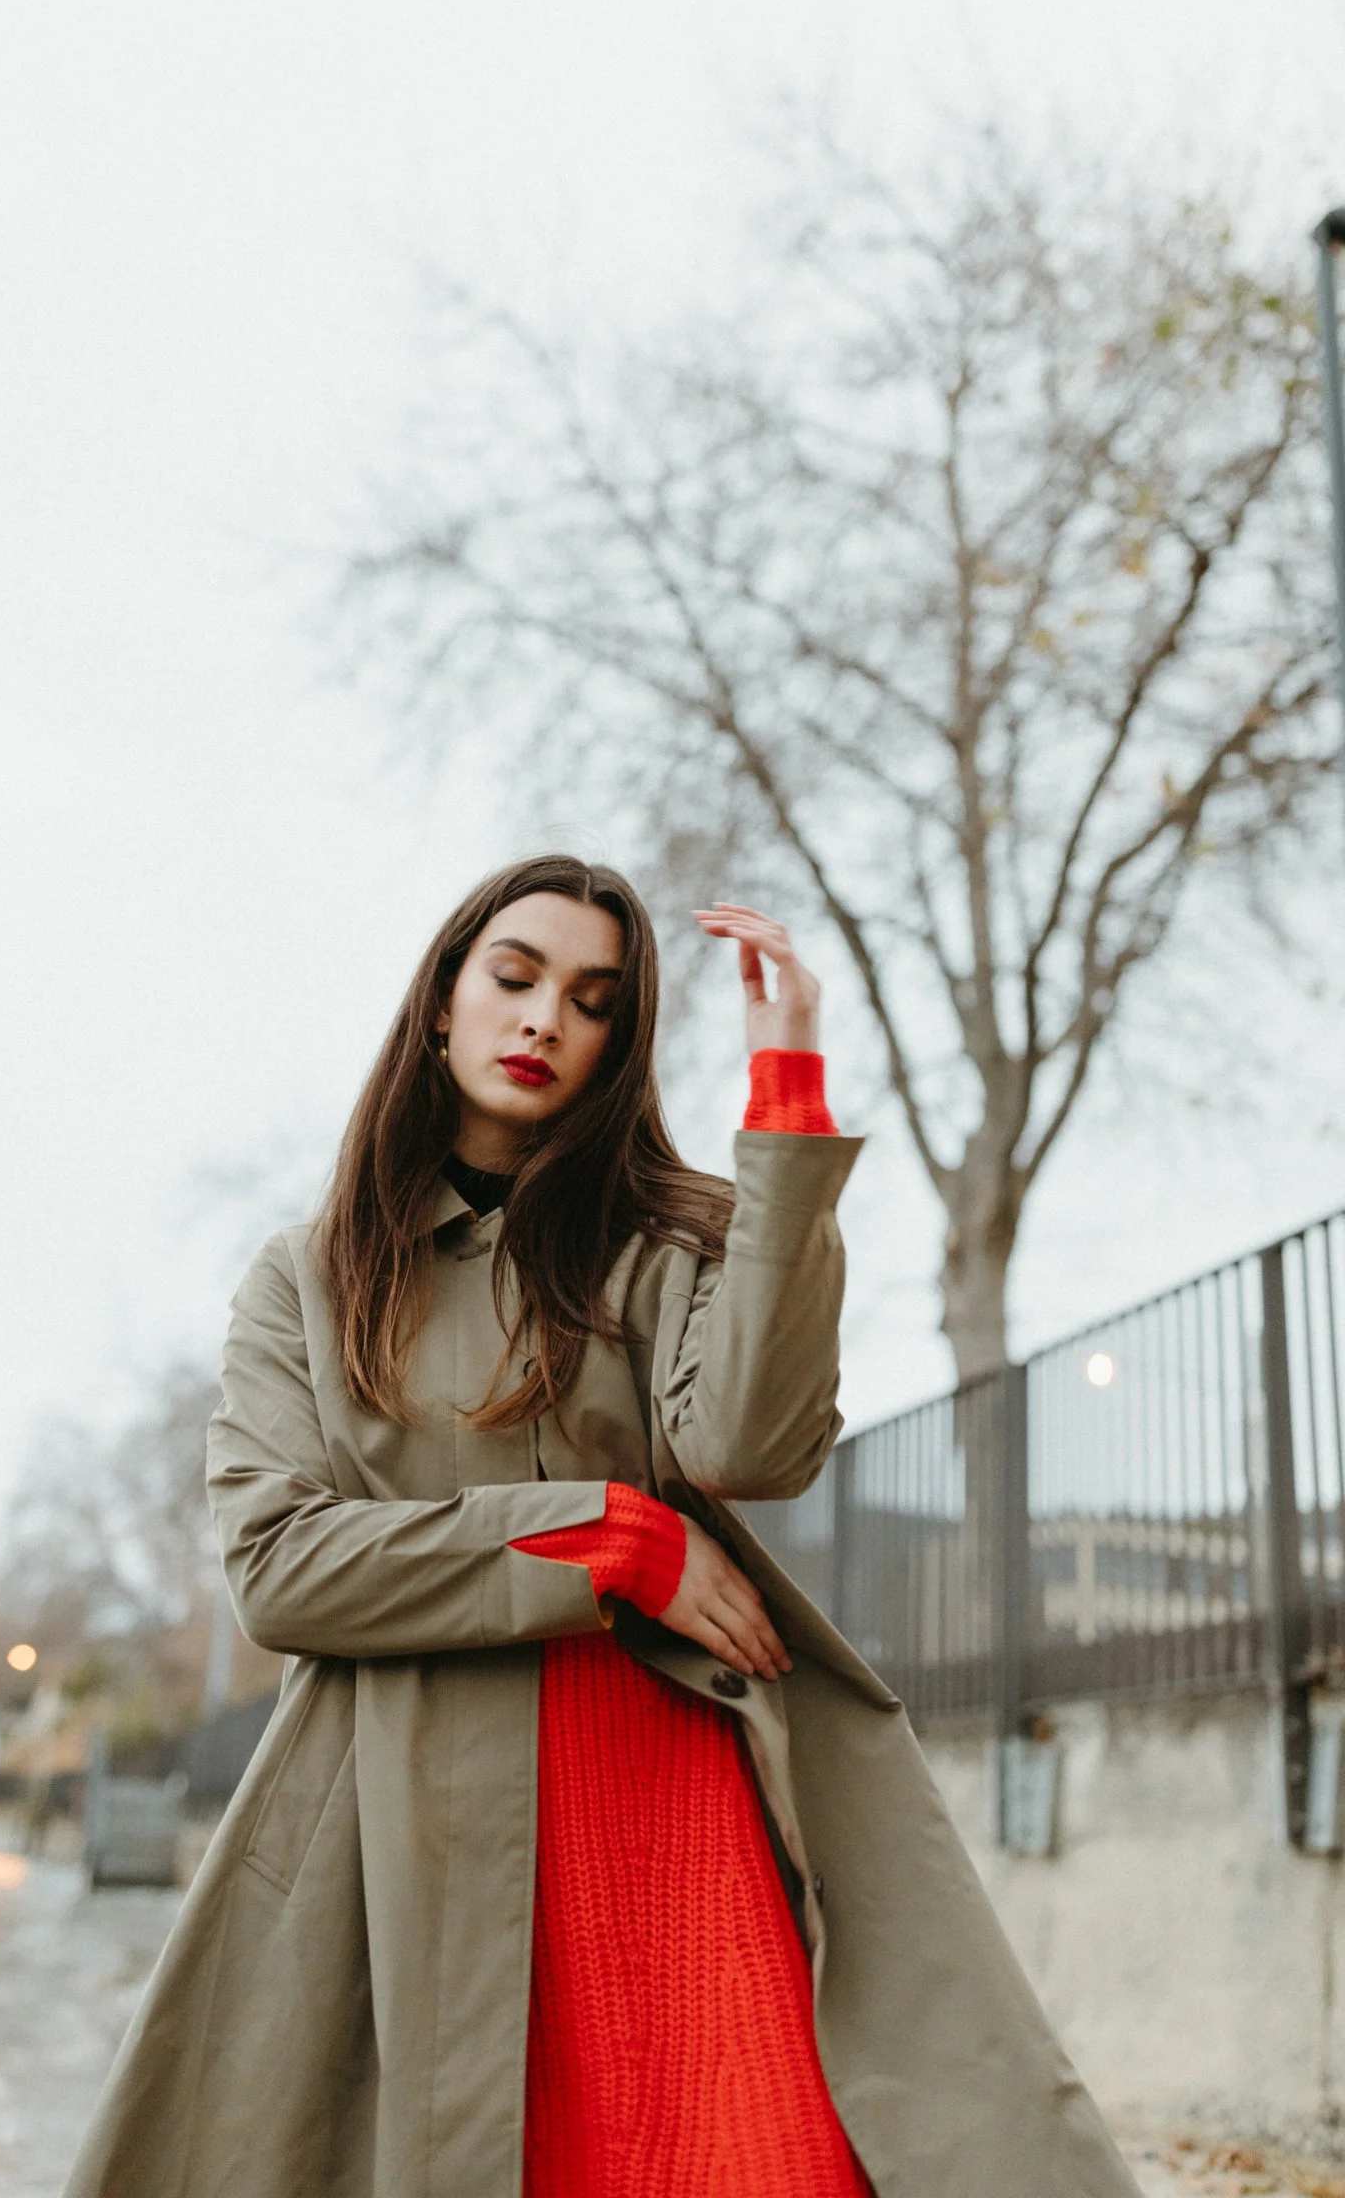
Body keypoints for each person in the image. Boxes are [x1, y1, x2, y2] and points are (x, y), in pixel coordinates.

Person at [61, 855, 1140, 2198]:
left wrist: (785, 1101)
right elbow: (282, 1574)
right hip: (410, 1823)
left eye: (591, 1002)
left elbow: (754, 1446)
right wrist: (615, 1542)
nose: (542, 1022)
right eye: (513, 979)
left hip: (672, 1795)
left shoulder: (673, 1241)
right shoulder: (309, 1278)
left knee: (765, 2159)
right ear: (441, 1000)